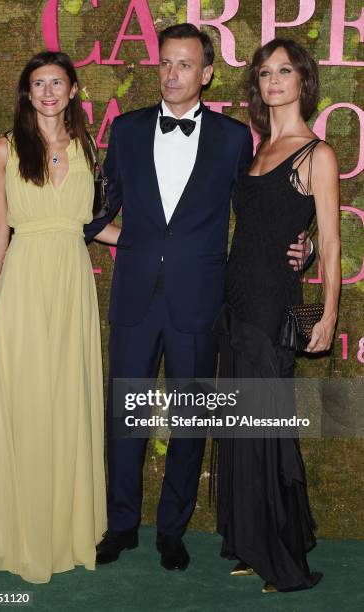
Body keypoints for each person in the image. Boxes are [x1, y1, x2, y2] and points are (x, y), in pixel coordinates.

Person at [83, 24, 310, 572]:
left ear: (207, 74)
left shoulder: (234, 139)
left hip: (201, 301)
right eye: (165, 63)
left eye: (184, 64)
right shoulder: (129, 129)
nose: (171, 73)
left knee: (189, 421)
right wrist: (123, 239)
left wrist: (309, 243)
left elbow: (260, 210)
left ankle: (171, 531)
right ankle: (120, 526)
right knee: (126, 418)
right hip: (136, 298)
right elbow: (96, 210)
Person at [0, 51, 118, 584]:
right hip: (24, 285)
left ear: (73, 88)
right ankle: (28, 536)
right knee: (31, 405)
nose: (48, 92)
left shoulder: (87, 149)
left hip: (72, 286)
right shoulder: (5, 150)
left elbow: (87, 225)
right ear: (27, 93)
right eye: (38, 84)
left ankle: (68, 531)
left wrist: (152, 246)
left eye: (57, 82)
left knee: (69, 403)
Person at [214, 38, 340, 592]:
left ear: (303, 81)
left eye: (284, 71)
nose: (273, 81)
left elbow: (330, 243)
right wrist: (303, 243)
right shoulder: (257, 149)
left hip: (273, 306)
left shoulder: (318, 154)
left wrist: (328, 313)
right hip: (236, 299)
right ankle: (253, 542)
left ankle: (285, 557)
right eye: (265, 73)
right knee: (244, 430)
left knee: (270, 429)